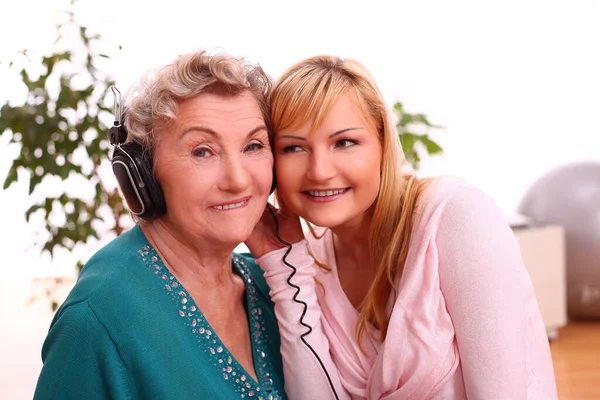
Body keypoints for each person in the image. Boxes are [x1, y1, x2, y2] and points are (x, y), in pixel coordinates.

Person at [245, 55, 559, 399]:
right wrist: (282, 265)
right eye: (294, 148)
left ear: (382, 144)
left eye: (344, 142)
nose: (320, 171)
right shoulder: (310, 266)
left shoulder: (456, 215)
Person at [33, 50, 287, 400]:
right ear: (143, 176)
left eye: (253, 146)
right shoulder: (97, 319)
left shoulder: (273, 286)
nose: (238, 180)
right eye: (203, 151)